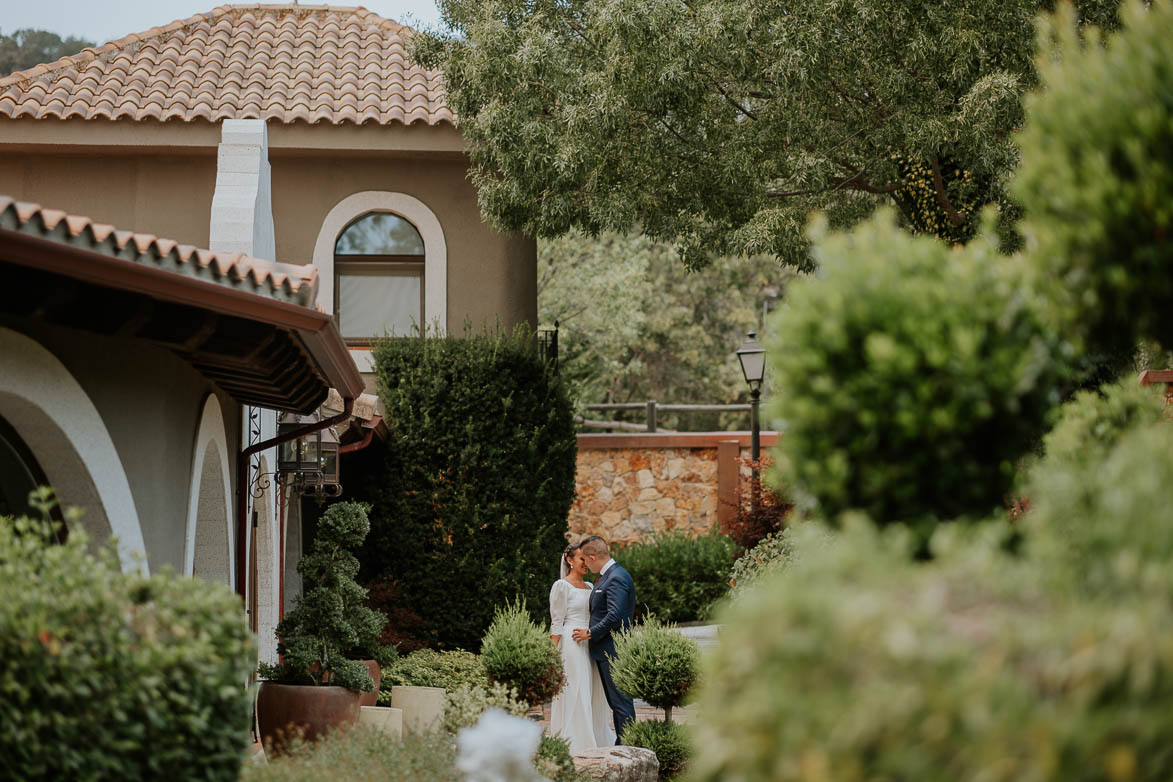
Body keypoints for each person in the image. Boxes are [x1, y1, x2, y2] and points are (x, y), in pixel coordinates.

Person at [548, 541, 616, 752]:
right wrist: (552, 655)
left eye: (587, 559)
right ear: (569, 560)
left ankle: (595, 735)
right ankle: (576, 738)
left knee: (593, 689)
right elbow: (557, 622)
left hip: (590, 641)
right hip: (571, 643)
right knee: (576, 689)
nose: (585, 563)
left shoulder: (590, 586)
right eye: (581, 559)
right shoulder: (561, 586)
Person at [572, 535, 637, 741]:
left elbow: (614, 615)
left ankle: (628, 745)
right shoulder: (608, 575)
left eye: (583, 558)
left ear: (592, 557)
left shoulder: (616, 577)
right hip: (606, 649)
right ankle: (624, 742)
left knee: (620, 702)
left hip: (614, 649)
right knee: (616, 703)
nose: (583, 562)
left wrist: (590, 633)